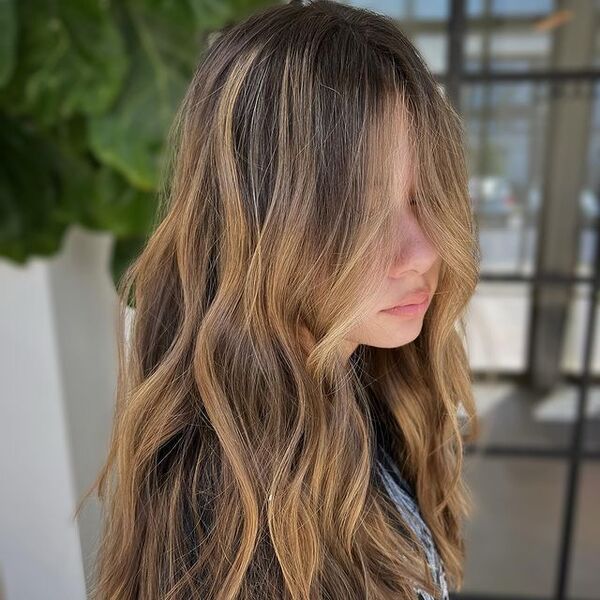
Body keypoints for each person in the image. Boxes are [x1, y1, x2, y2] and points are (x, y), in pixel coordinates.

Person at [78, 1, 481, 598]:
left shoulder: (368, 386)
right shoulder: (227, 530)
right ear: (257, 226)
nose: (421, 253)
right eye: (361, 214)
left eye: (425, 199)